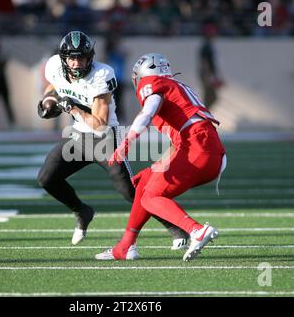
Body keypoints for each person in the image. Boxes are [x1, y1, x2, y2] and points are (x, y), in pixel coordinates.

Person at [37, 31, 189, 247]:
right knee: (46, 178)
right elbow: (54, 86)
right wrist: (49, 101)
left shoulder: (101, 74)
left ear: (90, 57)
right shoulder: (54, 66)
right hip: (78, 137)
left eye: (81, 57)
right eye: (72, 58)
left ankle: (176, 228)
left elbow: (100, 123)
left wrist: (73, 108)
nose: (77, 63)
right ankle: (82, 211)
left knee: (130, 192)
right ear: (63, 59)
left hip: (106, 139)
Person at [95, 53, 227, 262]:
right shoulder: (177, 87)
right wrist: (159, 164)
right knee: (145, 182)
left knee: (151, 197)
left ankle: (196, 230)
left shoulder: (152, 83)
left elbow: (148, 111)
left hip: (197, 147)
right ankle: (126, 247)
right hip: (203, 147)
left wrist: (127, 141)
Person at [198, 24, 225, 110]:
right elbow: (204, 62)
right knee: (211, 97)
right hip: (207, 74)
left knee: (210, 97)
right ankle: (203, 116)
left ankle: (204, 117)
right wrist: (208, 76)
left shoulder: (208, 46)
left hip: (208, 74)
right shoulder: (206, 47)